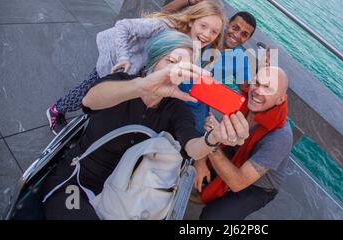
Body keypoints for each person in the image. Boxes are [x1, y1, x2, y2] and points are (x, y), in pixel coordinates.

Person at [42, 30, 249, 220]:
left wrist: (213, 138)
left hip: (127, 199)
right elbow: (90, 100)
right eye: (171, 61)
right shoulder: (122, 82)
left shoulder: (177, 109)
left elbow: (192, 148)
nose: (174, 72)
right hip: (75, 184)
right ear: (156, 58)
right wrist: (142, 87)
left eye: (183, 68)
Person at [47, 0, 227, 135]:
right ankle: (56, 110)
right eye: (203, 26)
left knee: (111, 102)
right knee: (87, 92)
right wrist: (124, 56)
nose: (206, 34)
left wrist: (209, 108)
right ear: (191, 21)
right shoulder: (164, 27)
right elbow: (123, 25)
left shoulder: (197, 48)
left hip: (138, 75)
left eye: (214, 32)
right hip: (117, 62)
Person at [192, 66, 293, 220]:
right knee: (190, 154)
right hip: (235, 151)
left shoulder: (279, 137)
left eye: (267, 88)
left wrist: (211, 142)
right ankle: (206, 187)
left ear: (281, 99)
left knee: (213, 217)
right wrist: (199, 162)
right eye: (257, 83)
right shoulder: (242, 101)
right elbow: (199, 93)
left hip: (257, 186)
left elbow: (238, 182)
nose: (258, 91)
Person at [164, 0, 258, 131]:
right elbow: (166, 13)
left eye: (244, 34)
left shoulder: (239, 59)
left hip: (195, 107)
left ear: (247, 39)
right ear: (227, 24)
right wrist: (189, 0)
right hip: (169, 91)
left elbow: (247, 93)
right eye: (235, 28)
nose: (237, 35)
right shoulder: (207, 33)